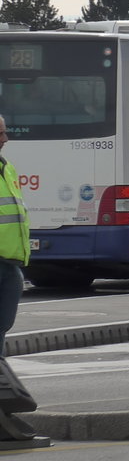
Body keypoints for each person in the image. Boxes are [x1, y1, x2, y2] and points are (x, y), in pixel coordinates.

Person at [0, 114, 31, 357]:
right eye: (0, 133)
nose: (6, 138)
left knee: (3, 325)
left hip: (10, 263)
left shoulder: (7, 168)